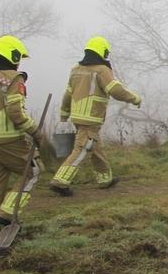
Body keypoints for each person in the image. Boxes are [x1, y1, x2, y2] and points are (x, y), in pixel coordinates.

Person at [49, 36, 141, 196]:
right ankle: (60, 182)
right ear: (102, 52)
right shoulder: (101, 70)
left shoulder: (76, 69)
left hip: (77, 117)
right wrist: (134, 99)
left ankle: (105, 179)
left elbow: (68, 94)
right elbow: (115, 90)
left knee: (95, 147)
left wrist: (64, 113)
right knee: (82, 149)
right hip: (91, 117)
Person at [0, 35, 45, 233]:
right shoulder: (14, 78)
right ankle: (7, 212)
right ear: (12, 56)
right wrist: (35, 132)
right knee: (33, 170)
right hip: (10, 139)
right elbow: (15, 113)